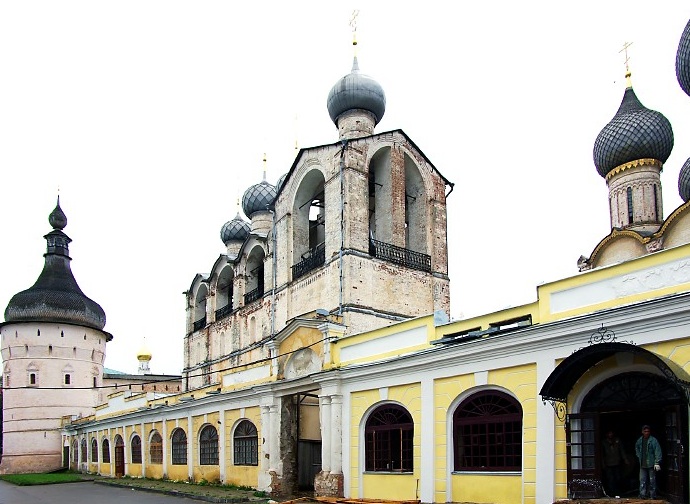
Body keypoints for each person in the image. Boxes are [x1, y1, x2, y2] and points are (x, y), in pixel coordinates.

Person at [635, 424, 662, 499]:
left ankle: (652, 495)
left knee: (652, 480)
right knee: (642, 480)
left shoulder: (653, 440)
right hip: (642, 463)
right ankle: (642, 494)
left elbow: (657, 451)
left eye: (648, 431)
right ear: (642, 432)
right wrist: (638, 455)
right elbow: (636, 447)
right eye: (645, 431)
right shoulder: (640, 440)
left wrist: (657, 462)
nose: (646, 433)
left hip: (651, 463)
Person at [602, 429, 628, 496]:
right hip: (608, 463)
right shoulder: (604, 442)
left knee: (618, 478)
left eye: (611, 433)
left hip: (617, 462)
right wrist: (603, 464)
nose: (610, 435)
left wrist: (625, 459)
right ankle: (612, 493)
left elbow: (622, 451)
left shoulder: (617, 441)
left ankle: (618, 492)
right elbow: (601, 454)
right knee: (611, 479)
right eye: (609, 433)